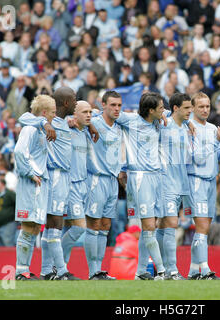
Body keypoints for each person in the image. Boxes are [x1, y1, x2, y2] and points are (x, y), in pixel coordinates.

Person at [18, 87, 81, 280]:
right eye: (74, 99)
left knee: (38, 227)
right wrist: (44, 123)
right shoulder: (34, 126)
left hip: (55, 179)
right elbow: (23, 118)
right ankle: (31, 271)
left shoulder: (63, 123)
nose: (77, 102)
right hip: (47, 178)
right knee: (37, 225)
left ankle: (45, 271)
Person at [183, 92, 220, 280]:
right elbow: (198, 158)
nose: (205, 110)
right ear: (192, 108)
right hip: (196, 180)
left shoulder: (211, 128)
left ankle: (193, 271)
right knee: (201, 226)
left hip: (211, 181)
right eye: (201, 106)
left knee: (205, 227)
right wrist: (217, 140)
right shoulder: (188, 128)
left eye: (208, 106)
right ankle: (205, 271)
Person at [114, 92, 167, 280]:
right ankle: (161, 270)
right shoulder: (130, 120)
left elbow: (175, 114)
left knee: (151, 227)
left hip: (156, 177)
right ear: (151, 110)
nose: (164, 110)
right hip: (140, 177)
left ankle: (141, 271)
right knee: (149, 225)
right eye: (161, 108)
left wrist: (189, 122)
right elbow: (105, 112)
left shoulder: (157, 120)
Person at [13, 94, 56, 280]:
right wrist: (30, 172)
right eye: (53, 113)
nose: (55, 116)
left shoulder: (40, 129)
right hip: (31, 181)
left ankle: (25, 270)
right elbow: (18, 151)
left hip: (39, 181)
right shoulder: (30, 129)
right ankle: (20, 270)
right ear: (44, 113)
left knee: (35, 227)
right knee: (28, 225)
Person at [83, 92, 125, 280]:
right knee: (94, 224)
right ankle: (93, 270)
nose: (116, 109)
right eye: (113, 105)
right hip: (96, 178)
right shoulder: (93, 121)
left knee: (106, 225)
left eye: (119, 105)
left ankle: (99, 270)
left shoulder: (120, 127)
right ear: (103, 105)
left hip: (112, 181)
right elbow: (72, 116)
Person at [156, 93, 193, 280]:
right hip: (165, 182)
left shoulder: (185, 126)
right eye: (187, 108)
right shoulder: (164, 124)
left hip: (180, 183)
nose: (191, 111)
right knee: (171, 223)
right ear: (176, 108)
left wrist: (188, 122)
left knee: (163, 226)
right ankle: (172, 270)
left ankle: (161, 269)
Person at [0, 174, 17, 247]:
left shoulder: (9, 193)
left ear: (1, 183)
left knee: (7, 244)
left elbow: (18, 204)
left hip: (8, 223)